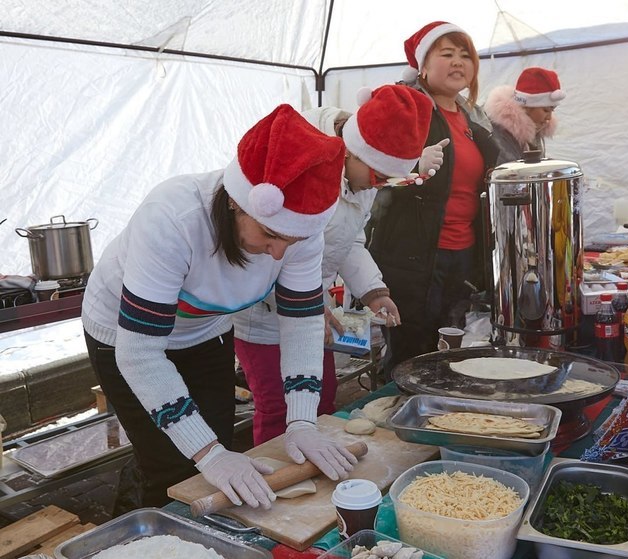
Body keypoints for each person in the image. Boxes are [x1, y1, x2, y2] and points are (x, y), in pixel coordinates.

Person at [81, 104, 357, 511]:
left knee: (217, 448)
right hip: (123, 334)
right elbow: (139, 353)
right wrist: (206, 454)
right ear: (237, 202)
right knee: (173, 468)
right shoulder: (173, 218)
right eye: (268, 234)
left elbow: (301, 324)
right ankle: (144, 519)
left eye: (291, 242)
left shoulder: (300, 228)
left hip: (205, 329)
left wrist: (301, 420)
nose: (278, 252)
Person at [232, 85, 435, 444]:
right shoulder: (299, 166)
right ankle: (272, 483)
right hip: (262, 316)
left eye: (388, 179)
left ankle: (312, 466)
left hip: (313, 307)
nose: (380, 186)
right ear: (352, 152)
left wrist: (373, 290)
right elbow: (265, 250)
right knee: (279, 406)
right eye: (377, 176)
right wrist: (307, 306)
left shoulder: (364, 179)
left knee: (319, 399)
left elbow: (349, 240)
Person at [366, 21, 498, 374]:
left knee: (450, 350)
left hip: (463, 255)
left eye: (465, 56)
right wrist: (412, 165)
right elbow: (371, 174)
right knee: (411, 353)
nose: (458, 63)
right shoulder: (406, 107)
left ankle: (440, 416)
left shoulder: (474, 120)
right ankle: (398, 417)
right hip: (413, 257)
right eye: (447, 54)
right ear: (423, 65)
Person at [484, 66, 565, 165]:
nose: (549, 118)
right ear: (527, 106)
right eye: (545, 110)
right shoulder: (498, 133)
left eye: (552, 110)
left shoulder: (535, 130)